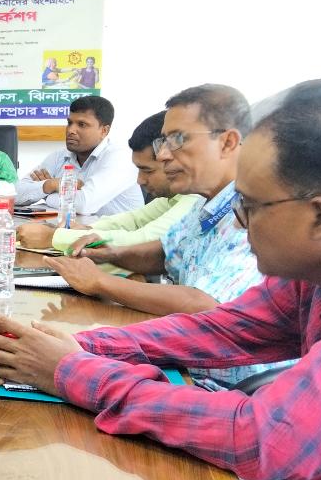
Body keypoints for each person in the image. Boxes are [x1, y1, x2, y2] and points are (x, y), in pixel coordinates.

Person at [0, 79, 321, 480]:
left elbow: (262, 436)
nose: (237, 221)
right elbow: (223, 330)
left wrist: (72, 372)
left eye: (249, 206)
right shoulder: (313, 274)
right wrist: (77, 345)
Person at [43, 87, 274, 372]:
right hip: (185, 355)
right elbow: (166, 252)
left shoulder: (252, 209)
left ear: (227, 142)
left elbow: (204, 304)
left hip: (219, 381)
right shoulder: (205, 202)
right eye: (163, 141)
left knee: (57, 363)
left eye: (177, 139)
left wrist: (100, 282)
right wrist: (109, 254)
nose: (163, 155)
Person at [16, 111, 201, 251]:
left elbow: (145, 238)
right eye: (69, 123)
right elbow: (134, 220)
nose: (139, 180)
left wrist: (53, 237)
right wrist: (86, 228)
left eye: (147, 171)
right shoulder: (177, 195)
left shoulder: (198, 196)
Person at [15, 95, 143, 216]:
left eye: (82, 124)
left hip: (119, 231)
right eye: (69, 123)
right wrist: (50, 185)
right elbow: (15, 195)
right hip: (77, 228)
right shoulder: (59, 157)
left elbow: (84, 205)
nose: (71, 130)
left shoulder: (120, 158)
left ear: (104, 131)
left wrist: (47, 194)